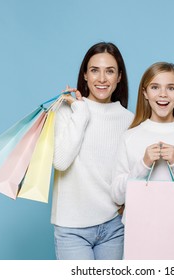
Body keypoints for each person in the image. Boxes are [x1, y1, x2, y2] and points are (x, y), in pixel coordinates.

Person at [111, 62, 174, 250]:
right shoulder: (130, 137)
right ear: (145, 93)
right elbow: (116, 194)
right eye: (155, 87)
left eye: (170, 88)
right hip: (139, 234)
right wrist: (143, 165)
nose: (163, 94)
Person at [51, 42, 134, 260]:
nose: (102, 78)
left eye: (110, 71)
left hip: (114, 227)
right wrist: (81, 112)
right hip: (72, 229)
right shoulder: (67, 109)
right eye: (95, 70)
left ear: (119, 77)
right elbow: (60, 162)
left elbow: (131, 173)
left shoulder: (130, 120)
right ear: (85, 75)